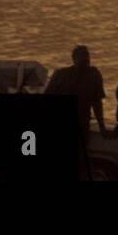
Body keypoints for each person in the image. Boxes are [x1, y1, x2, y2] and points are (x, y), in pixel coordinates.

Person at [46, 45, 109, 178]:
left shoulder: (94, 74)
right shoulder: (62, 75)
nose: (86, 59)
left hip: (82, 122)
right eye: (82, 56)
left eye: (87, 55)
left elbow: (97, 102)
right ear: (74, 59)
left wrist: (102, 126)